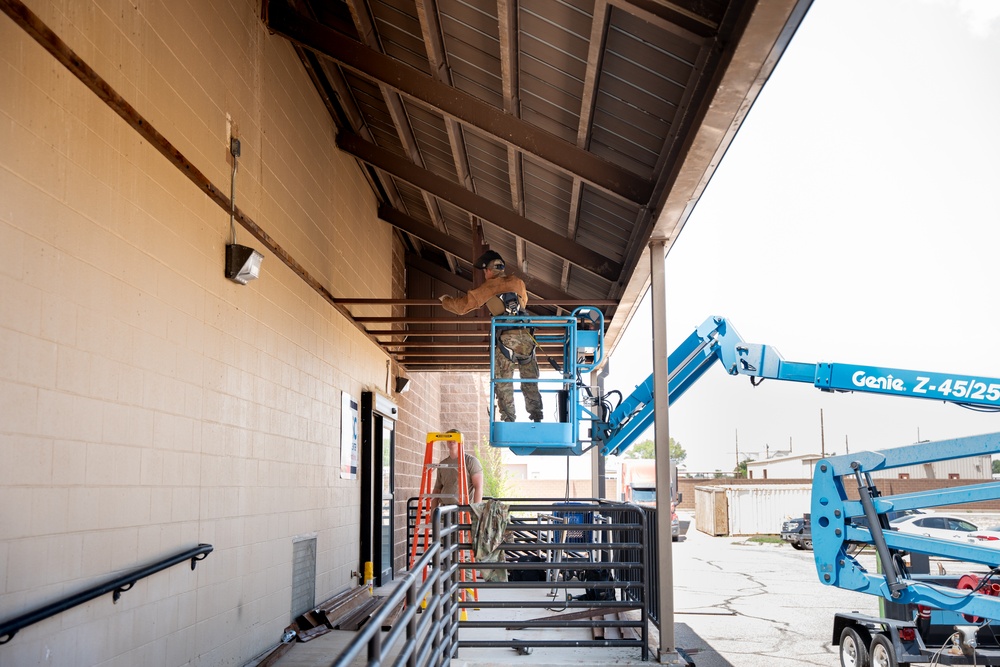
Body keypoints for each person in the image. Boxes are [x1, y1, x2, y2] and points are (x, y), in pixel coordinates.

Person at [438, 250, 544, 422]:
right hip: (526, 338)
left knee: (504, 383)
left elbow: (462, 307)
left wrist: (445, 301)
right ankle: (537, 415)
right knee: (530, 380)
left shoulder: (488, 287)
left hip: (507, 340)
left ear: (488, 270)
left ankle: (509, 420)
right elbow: (524, 302)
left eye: (484, 271)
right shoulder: (517, 282)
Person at [432, 430, 484, 508]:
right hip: (444, 509)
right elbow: (437, 490)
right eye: (449, 438)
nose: (451, 440)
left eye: (454, 437)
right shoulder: (442, 464)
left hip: (463, 509)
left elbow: (478, 487)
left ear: (461, 441)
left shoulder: (471, 461)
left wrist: (476, 510)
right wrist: (433, 513)